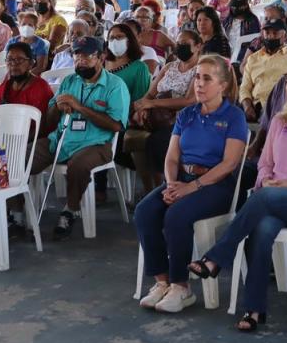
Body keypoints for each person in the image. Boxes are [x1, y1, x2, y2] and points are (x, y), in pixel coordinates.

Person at [188, 62, 287, 330]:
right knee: (261, 231)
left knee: (265, 197)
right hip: (275, 199)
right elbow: (264, 163)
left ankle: (216, 257)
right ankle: (254, 310)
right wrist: (265, 180)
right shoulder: (279, 121)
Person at [135, 55, 247, 313]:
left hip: (217, 185)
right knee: (144, 211)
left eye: (207, 78)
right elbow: (172, 157)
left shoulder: (234, 116)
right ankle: (162, 282)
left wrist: (191, 188)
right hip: (182, 181)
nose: (199, 83)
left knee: (176, 215)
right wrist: (172, 184)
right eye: (197, 77)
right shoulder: (187, 114)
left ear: (223, 85)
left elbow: (229, 164)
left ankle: (181, 287)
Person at [30, 36, 130, 239]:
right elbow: (49, 121)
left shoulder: (115, 85)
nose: (80, 60)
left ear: (101, 57)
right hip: (61, 139)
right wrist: (58, 108)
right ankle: (16, 213)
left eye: (87, 56)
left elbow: (116, 125)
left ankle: (70, 210)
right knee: (21, 158)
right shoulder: (69, 81)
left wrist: (79, 107)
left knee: (78, 165)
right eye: (76, 55)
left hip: (97, 144)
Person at [126, 31, 202, 192]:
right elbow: (150, 94)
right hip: (157, 116)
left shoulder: (199, 70)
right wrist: (143, 107)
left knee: (157, 141)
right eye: (178, 43)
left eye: (185, 44)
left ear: (198, 46)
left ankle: (164, 188)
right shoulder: (169, 67)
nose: (180, 47)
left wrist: (153, 104)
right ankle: (148, 189)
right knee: (132, 139)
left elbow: (188, 101)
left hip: (183, 119)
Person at [240, 20, 287, 121]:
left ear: (285, 36)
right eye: (267, 33)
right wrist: (247, 106)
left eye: (275, 33)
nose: (270, 37)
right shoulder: (253, 58)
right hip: (257, 109)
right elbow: (245, 87)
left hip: (283, 109)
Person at [104, 22, 152, 103]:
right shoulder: (100, 62)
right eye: (111, 38)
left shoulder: (140, 68)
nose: (115, 41)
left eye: (119, 37)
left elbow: (138, 101)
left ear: (129, 40)